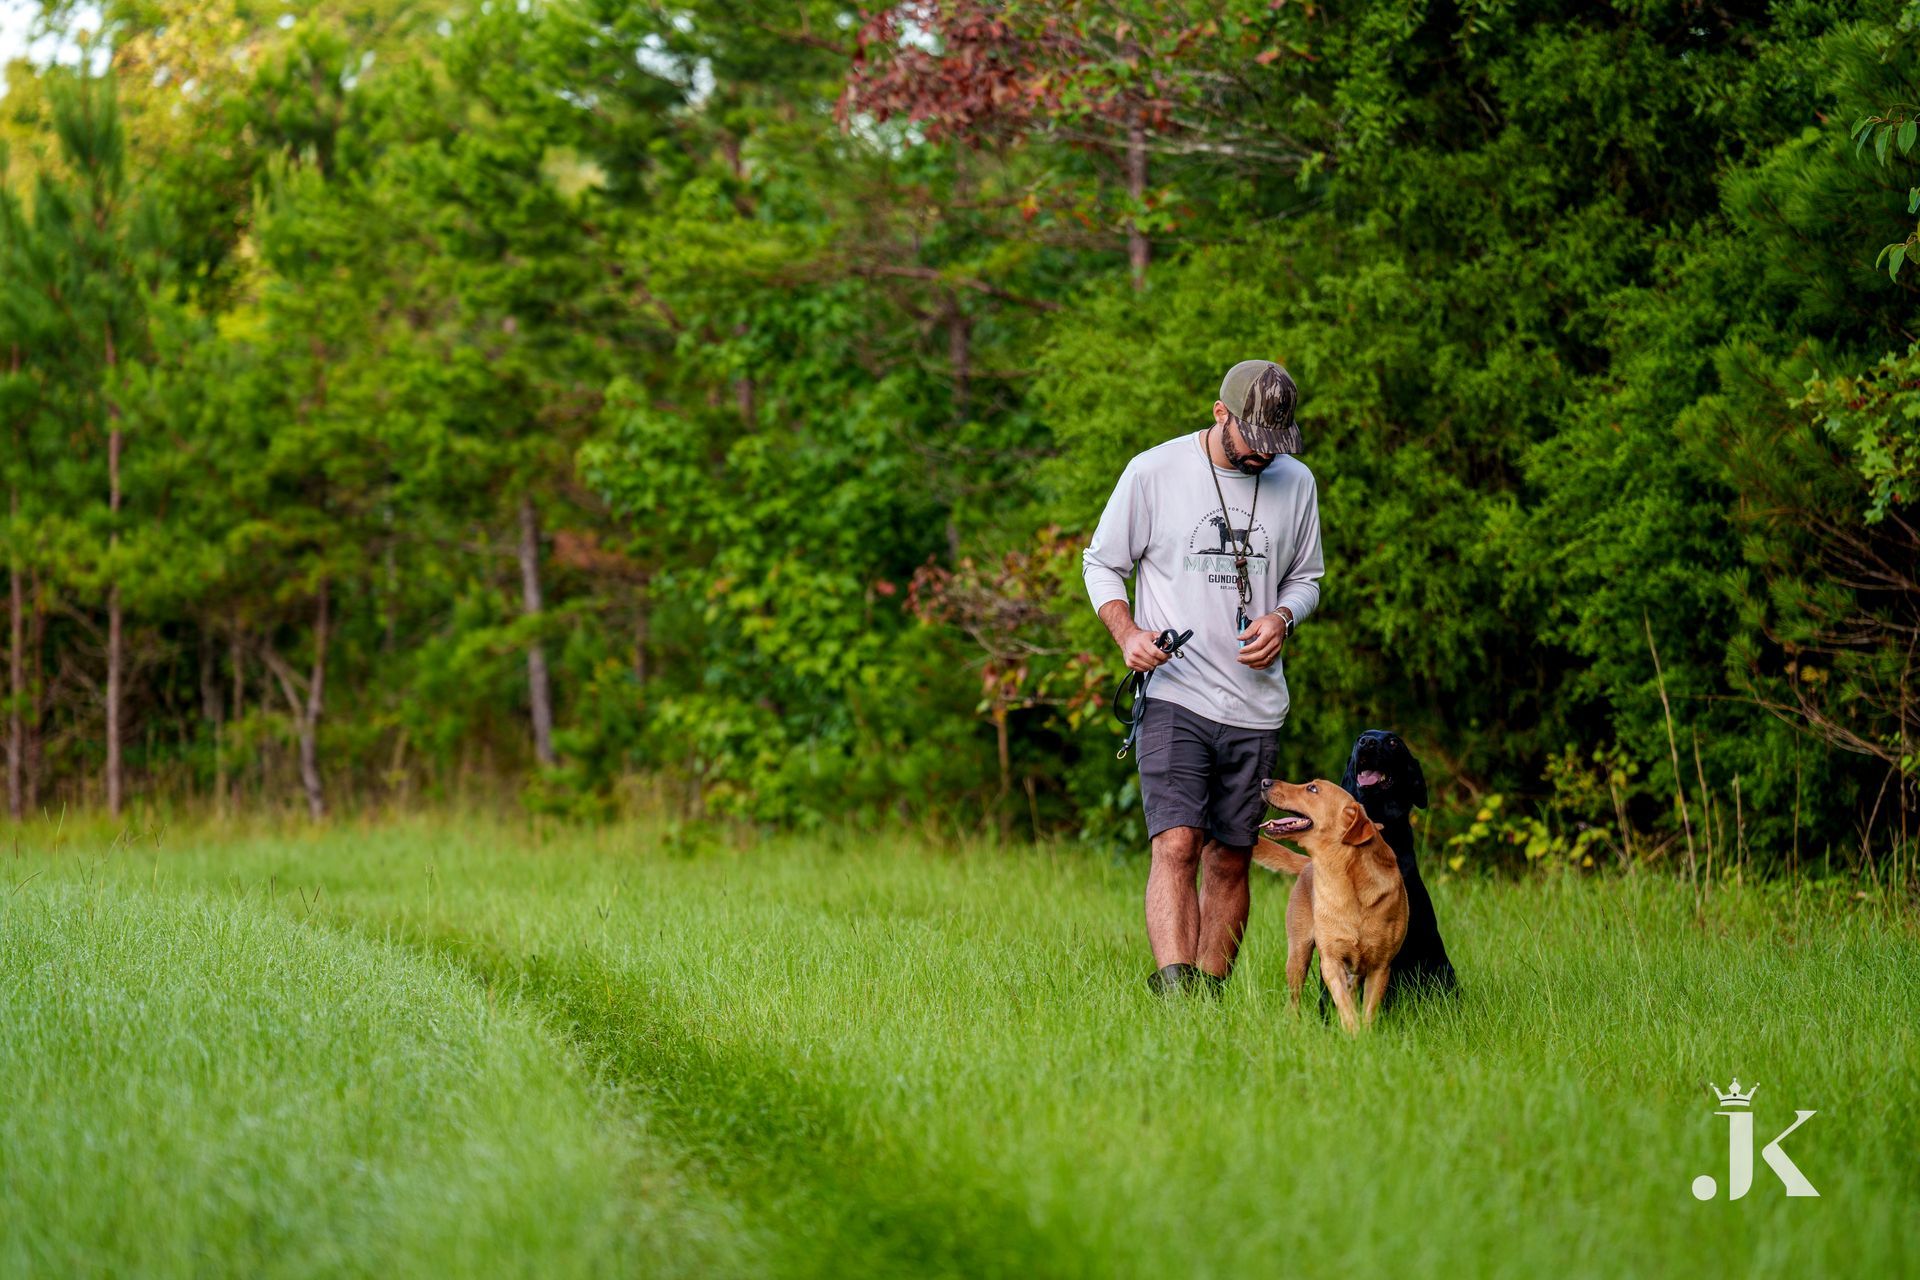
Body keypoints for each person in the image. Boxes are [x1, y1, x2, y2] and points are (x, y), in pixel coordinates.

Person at [1081, 360, 1325, 995]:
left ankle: (1207, 1002)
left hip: (1256, 705)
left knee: (1229, 858)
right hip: (1175, 692)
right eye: (1255, 443)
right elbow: (1101, 564)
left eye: (1278, 445)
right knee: (1178, 845)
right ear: (1221, 415)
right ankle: (1175, 996)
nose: (1265, 458)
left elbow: (1307, 577)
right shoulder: (1154, 471)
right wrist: (1129, 634)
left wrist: (1283, 616)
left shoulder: (1296, 483)